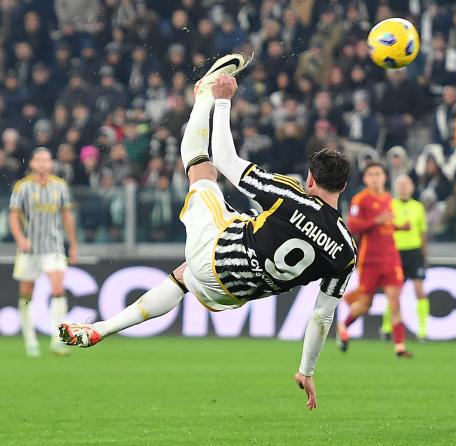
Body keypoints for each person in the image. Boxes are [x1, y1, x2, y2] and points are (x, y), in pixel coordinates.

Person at [58, 55, 357, 411]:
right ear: (344, 186)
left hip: (216, 253)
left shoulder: (291, 194)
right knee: (184, 276)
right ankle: (100, 330)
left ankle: (201, 93)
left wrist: (222, 101)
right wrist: (306, 370)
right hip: (232, 295)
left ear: (310, 179)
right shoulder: (345, 252)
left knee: (201, 169)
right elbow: (322, 315)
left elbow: (227, 160)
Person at [337, 162, 412, 358]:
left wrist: (398, 227)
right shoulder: (360, 200)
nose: (375, 177)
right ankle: (343, 326)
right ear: (365, 179)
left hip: (390, 257)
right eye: (371, 174)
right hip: (370, 259)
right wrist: (375, 221)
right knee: (365, 304)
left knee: (394, 301)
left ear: (384, 178)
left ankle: (400, 347)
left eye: (378, 174)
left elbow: (385, 225)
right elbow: (352, 225)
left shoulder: (388, 198)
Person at [9, 147, 78, 357]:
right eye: (38, 159)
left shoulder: (60, 186)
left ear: (51, 164)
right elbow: (13, 216)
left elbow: (67, 216)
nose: (42, 163)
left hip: (53, 247)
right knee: (26, 294)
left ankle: (58, 340)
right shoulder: (22, 187)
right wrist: (20, 238)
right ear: (31, 163)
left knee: (58, 289)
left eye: (46, 160)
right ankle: (30, 340)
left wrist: (73, 244)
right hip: (29, 249)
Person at [380, 175, 429, 341]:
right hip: (396, 252)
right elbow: (384, 229)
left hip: (414, 253)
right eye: (400, 185)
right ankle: (386, 328)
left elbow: (422, 233)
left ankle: (422, 331)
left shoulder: (418, 207)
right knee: (394, 293)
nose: (403, 188)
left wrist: (424, 256)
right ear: (395, 187)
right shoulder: (390, 205)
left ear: (412, 187)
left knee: (420, 291)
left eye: (406, 184)